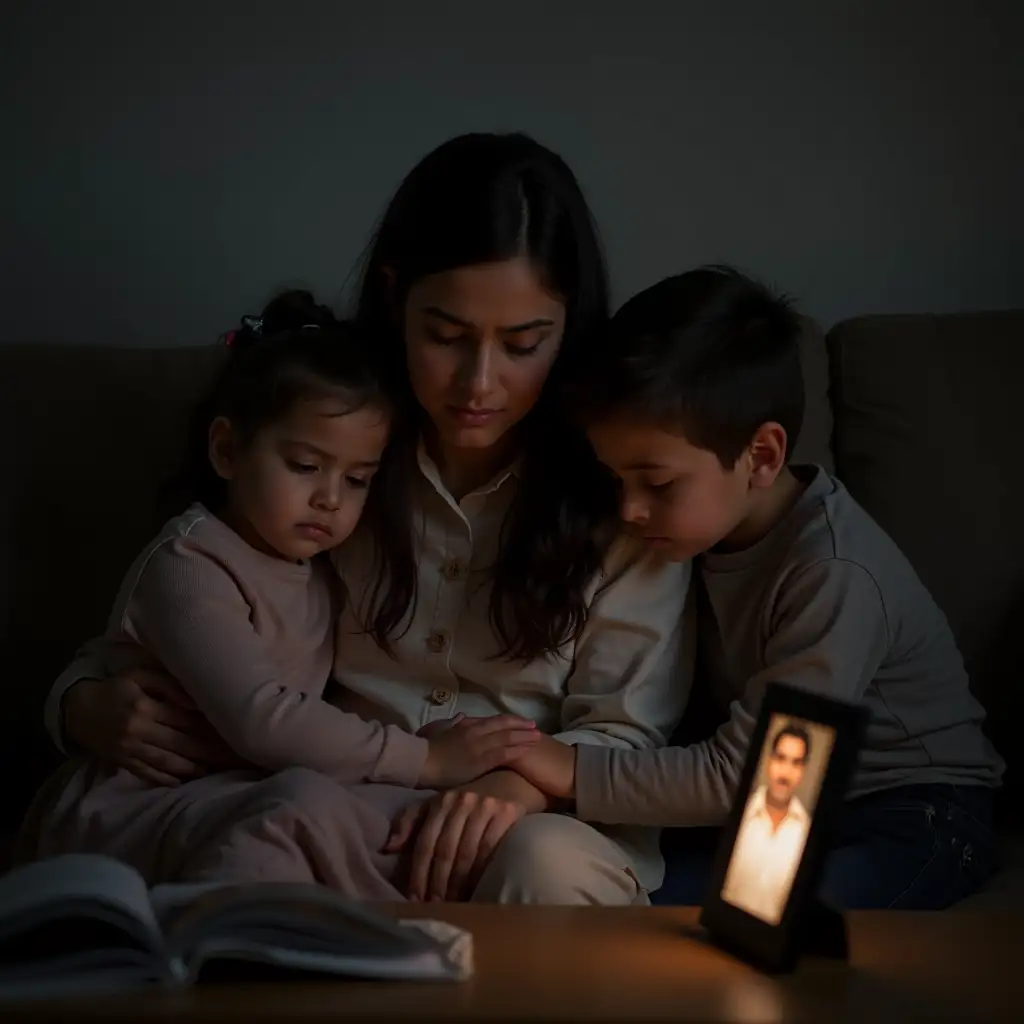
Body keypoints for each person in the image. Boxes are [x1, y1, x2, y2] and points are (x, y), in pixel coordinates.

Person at [41, 134, 690, 904]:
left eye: (523, 344)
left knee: (544, 867)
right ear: (394, 299)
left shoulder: (624, 486)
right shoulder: (328, 447)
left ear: (568, 328)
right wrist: (78, 705)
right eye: (446, 337)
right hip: (326, 800)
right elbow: (188, 603)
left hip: (527, 816)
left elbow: (627, 731)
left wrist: (517, 791)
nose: (479, 383)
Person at [507, 265, 1004, 909]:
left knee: (755, 921)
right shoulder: (693, 534)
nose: (627, 511)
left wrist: (569, 768)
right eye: (615, 479)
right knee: (623, 883)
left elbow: (762, 775)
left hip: (910, 810)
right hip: (778, 814)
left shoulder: (833, 571)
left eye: (657, 484)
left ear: (762, 458)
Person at [19, 292, 540, 883]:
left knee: (402, 822)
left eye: (357, 479)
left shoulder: (323, 565)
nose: (330, 498)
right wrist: (427, 757)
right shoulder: (188, 562)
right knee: (297, 811)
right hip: (136, 802)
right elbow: (262, 718)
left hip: (241, 791)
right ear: (227, 450)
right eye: (304, 465)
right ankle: (239, 945)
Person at [720, 724, 811, 924]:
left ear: (803, 770)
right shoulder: (739, 817)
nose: (785, 773)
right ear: (769, 760)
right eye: (780, 758)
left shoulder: (806, 833)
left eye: (795, 763)